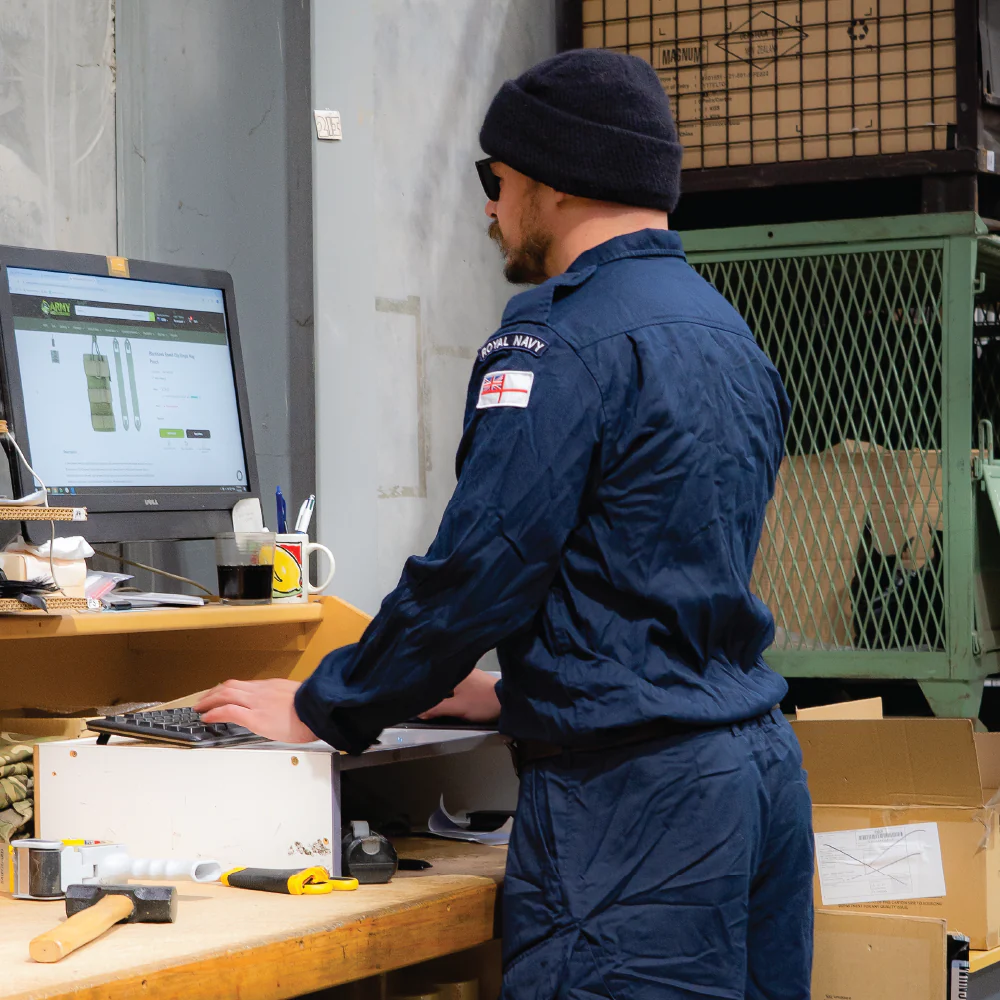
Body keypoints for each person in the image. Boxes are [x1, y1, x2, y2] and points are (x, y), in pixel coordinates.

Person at [196, 49, 814, 1000]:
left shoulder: (556, 340)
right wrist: (515, 687)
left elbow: (480, 566)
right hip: (758, 782)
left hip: (633, 813)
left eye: (496, 180)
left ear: (552, 183)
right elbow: (663, 562)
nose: (488, 207)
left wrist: (329, 707)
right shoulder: (731, 340)